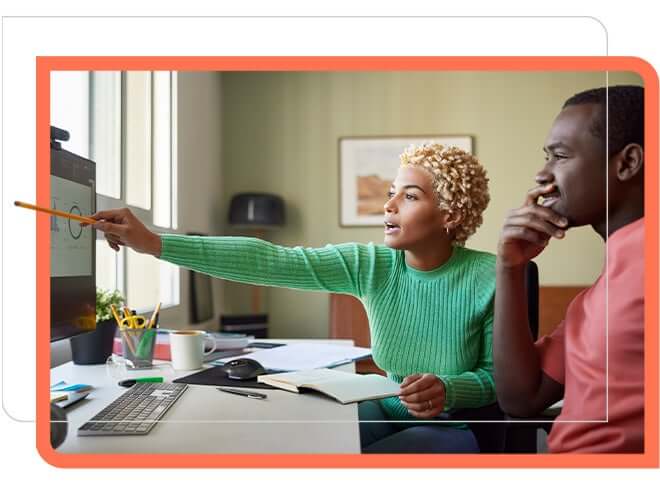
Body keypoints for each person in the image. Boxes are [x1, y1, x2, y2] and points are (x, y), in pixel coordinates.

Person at [91, 143, 495, 453]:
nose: (388, 206)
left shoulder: (490, 277)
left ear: (450, 214)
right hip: (379, 404)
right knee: (295, 444)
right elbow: (271, 260)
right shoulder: (373, 264)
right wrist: (155, 244)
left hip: (451, 428)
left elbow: (500, 380)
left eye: (409, 196)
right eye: (391, 192)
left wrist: (448, 388)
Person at [493, 85, 644, 453]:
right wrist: (510, 267)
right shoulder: (596, 296)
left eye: (560, 156)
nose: (543, 174)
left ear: (626, 163)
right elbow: (522, 398)